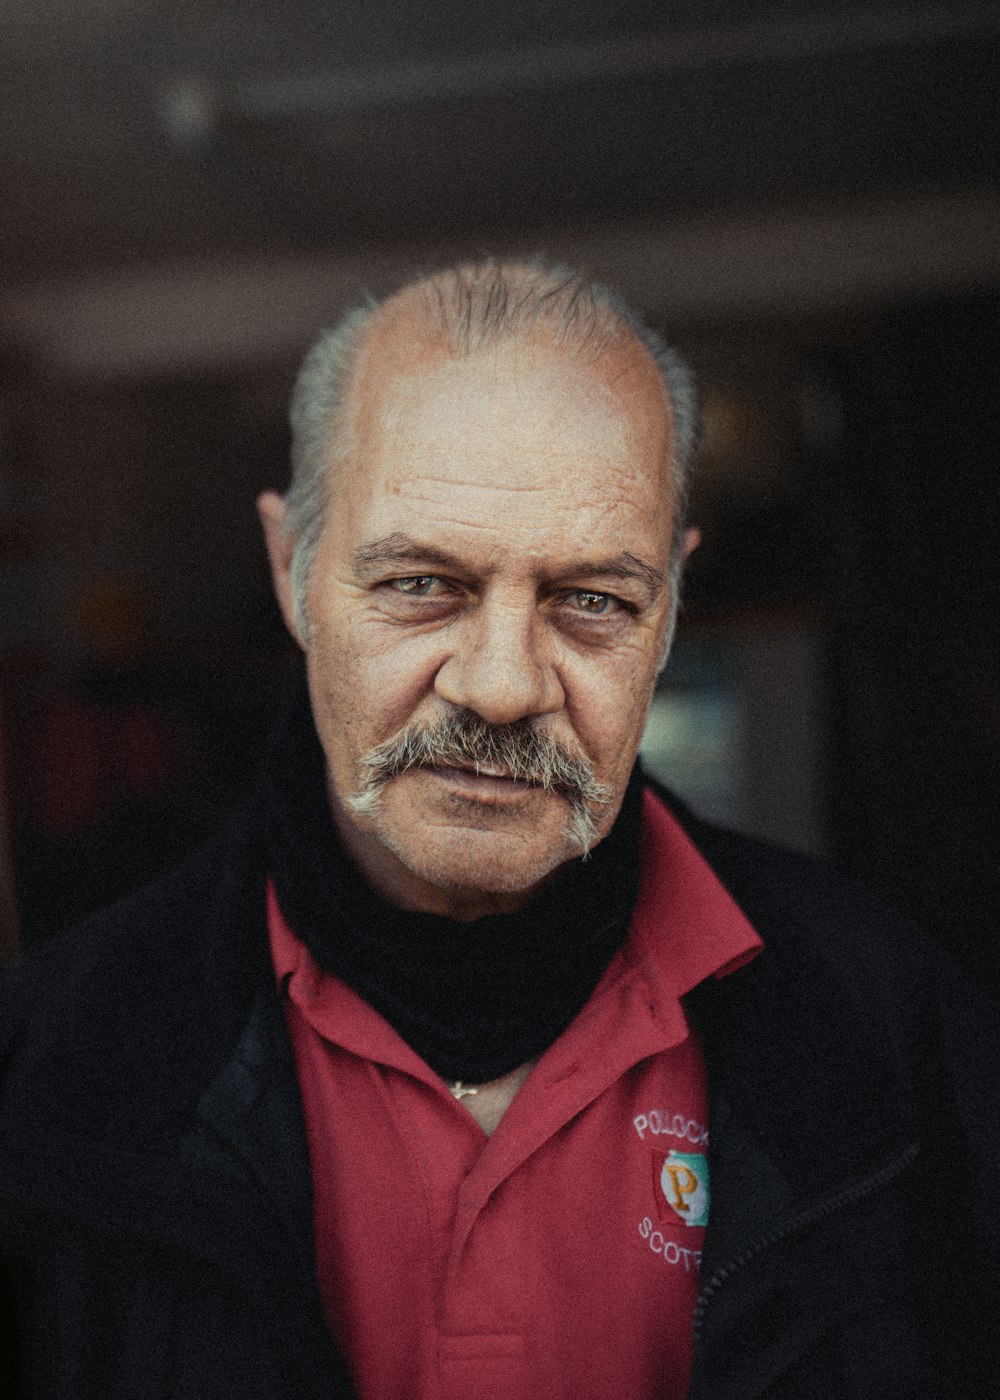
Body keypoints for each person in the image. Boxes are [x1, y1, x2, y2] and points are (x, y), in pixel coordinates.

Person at [1, 260, 996, 1400]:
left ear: (667, 606)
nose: (502, 683)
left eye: (591, 600)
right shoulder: (47, 1072)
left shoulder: (898, 1030)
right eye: (423, 582)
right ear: (292, 572)